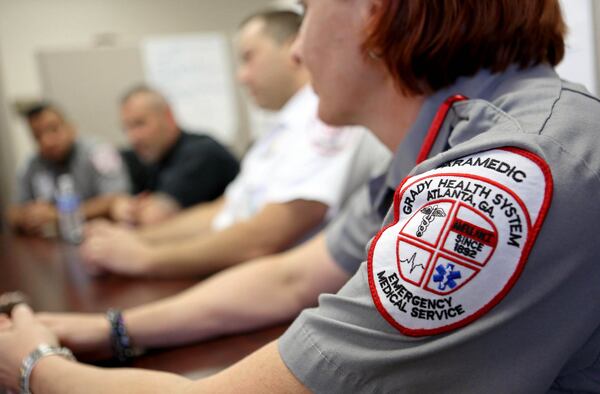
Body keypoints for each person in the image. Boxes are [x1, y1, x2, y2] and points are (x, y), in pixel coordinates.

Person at [2, 1, 598, 393]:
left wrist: (35, 369)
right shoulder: (449, 135)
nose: (295, 50)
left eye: (308, 8)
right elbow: (290, 277)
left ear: (376, 14)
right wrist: (110, 328)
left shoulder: (504, 172)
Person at [79, 9, 388, 278]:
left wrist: (146, 257)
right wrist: (141, 239)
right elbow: (225, 211)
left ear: (293, 46)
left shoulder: (326, 119)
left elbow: (264, 235)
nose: (241, 76)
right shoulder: (281, 127)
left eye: (248, 57)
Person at [110, 86, 240, 226]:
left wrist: (130, 211)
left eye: (139, 124)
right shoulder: (152, 157)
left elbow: (155, 218)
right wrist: (122, 206)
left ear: (168, 117)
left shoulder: (201, 153)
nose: (133, 137)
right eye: (126, 128)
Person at [7, 103, 129, 237]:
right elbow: (13, 212)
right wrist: (27, 217)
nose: (47, 141)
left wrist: (59, 214)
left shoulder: (99, 152)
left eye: (53, 129)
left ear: (71, 128)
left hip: (102, 238)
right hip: (53, 246)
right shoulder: (32, 165)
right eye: (38, 136)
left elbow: (117, 198)